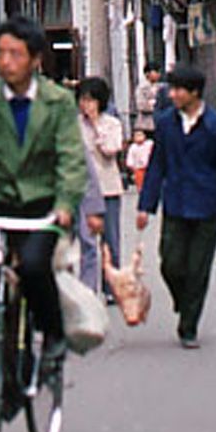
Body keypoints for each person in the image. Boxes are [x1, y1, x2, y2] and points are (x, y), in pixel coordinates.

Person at [0, 16, 88, 406]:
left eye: (16, 54)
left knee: (35, 268)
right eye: (1, 53)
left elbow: (72, 160)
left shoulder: (58, 102)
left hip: (41, 208)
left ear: (35, 59)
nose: (6, 62)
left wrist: (64, 204)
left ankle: (53, 334)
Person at [134, 64, 216, 348]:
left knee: (198, 268)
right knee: (170, 262)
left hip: (208, 205)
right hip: (176, 202)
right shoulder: (166, 123)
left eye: (177, 90)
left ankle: (189, 325)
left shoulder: (215, 125)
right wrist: (145, 206)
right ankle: (183, 300)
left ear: (194, 92)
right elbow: (157, 165)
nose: (172, 95)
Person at [78, 77, 126, 294]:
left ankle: (111, 286)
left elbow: (111, 149)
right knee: (86, 242)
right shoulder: (74, 125)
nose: (86, 105)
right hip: (84, 190)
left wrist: (97, 126)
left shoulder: (112, 123)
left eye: (90, 100)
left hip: (108, 188)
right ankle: (87, 288)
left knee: (111, 242)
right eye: (83, 100)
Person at [134, 64, 164, 136]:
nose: (158, 74)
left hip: (160, 124)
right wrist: (155, 106)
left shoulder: (161, 87)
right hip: (145, 125)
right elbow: (141, 105)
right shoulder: (142, 87)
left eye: (159, 72)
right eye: (156, 72)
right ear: (147, 73)